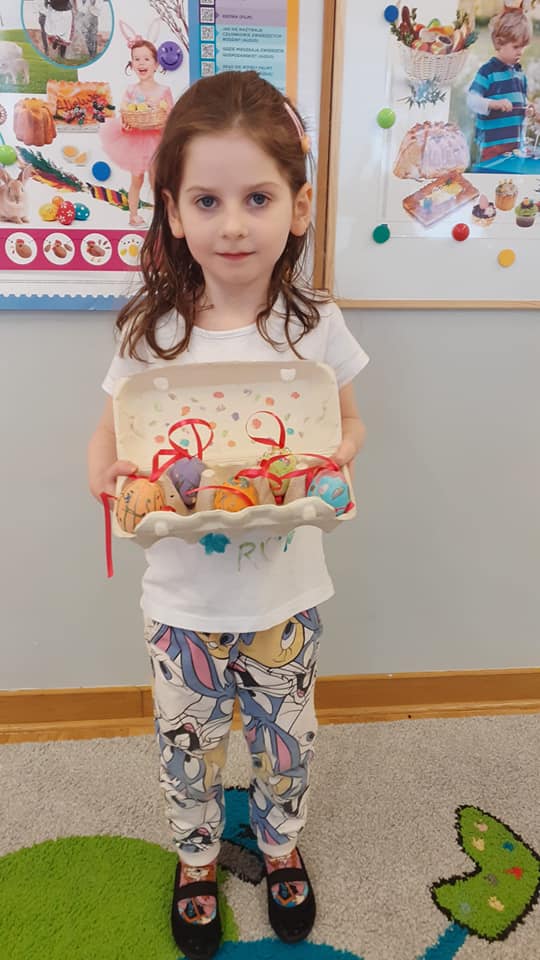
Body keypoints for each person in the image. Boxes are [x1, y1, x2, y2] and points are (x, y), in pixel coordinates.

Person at [87, 70, 368, 960]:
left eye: (258, 198)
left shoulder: (312, 323)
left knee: (287, 743)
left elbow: (347, 422)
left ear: (298, 205)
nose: (234, 224)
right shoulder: (152, 332)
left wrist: (334, 459)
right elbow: (109, 438)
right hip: (182, 606)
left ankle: (280, 844)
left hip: (286, 598)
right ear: (173, 212)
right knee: (189, 747)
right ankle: (198, 858)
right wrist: (109, 478)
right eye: (207, 201)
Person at [99, 36, 173, 225]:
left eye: (146, 59)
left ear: (156, 64)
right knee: (136, 179)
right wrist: (126, 126)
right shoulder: (131, 90)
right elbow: (126, 114)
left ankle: (161, 217)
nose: (141, 63)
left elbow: (171, 117)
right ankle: (133, 215)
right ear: (131, 64)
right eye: (136, 59)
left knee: (157, 180)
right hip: (136, 142)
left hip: (158, 141)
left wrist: (161, 119)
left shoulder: (164, 90)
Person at [467, 7, 534, 164]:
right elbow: (472, 100)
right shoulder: (488, 72)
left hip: (515, 145)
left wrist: (528, 108)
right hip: (492, 146)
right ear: (499, 43)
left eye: (523, 46)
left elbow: (519, 101)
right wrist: (493, 104)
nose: (521, 52)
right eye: (516, 47)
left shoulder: (519, 74)